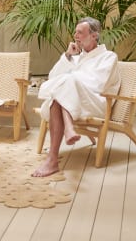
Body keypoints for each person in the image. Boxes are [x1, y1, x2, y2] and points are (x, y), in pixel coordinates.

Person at [32, 16, 120, 178]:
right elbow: (52, 77)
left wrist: (71, 79)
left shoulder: (108, 57)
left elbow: (97, 84)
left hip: (95, 103)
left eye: (80, 32)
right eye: (75, 32)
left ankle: (61, 142)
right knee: (59, 94)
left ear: (94, 35)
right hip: (71, 103)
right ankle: (54, 155)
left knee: (66, 83)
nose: (75, 36)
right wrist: (67, 56)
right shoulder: (76, 57)